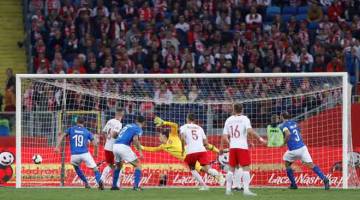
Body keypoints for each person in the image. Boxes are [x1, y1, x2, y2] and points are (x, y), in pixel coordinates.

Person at [142, 116, 221, 174]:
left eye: (159, 136)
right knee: (201, 169)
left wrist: (164, 123)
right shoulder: (163, 146)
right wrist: (141, 147)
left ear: (164, 136)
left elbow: (175, 125)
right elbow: (152, 149)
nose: (159, 138)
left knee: (203, 167)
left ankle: (218, 171)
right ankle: (209, 182)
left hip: (190, 152)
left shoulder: (173, 135)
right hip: (187, 156)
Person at [220, 103, 267, 196]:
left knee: (231, 169)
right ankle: (246, 190)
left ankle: (228, 190)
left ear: (233, 109)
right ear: (242, 110)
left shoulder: (228, 120)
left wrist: (221, 147)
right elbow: (250, 131)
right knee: (246, 168)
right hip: (242, 147)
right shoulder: (245, 119)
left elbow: (224, 136)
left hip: (233, 147)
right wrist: (261, 139)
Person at [279, 111, 330, 190]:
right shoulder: (295, 123)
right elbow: (299, 132)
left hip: (293, 150)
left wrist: (283, 143)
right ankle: (325, 179)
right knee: (311, 164)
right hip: (302, 147)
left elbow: (288, 134)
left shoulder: (284, 125)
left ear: (282, 117)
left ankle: (293, 184)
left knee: (287, 163)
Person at [55, 117, 104, 190]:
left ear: (76, 122)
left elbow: (61, 135)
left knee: (76, 166)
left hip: (74, 155)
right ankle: (99, 181)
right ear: (83, 123)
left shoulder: (71, 129)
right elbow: (95, 144)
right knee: (95, 169)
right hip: (85, 153)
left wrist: (57, 147)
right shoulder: (87, 131)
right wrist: (95, 153)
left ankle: (86, 183)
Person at [180, 113, 225, 191]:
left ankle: (204, 186)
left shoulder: (183, 127)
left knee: (192, 168)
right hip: (201, 150)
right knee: (208, 169)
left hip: (191, 151)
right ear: (194, 120)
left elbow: (182, 138)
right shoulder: (200, 128)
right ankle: (219, 176)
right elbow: (206, 143)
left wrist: (183, 149)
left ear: (187, 119)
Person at [111, 115, 145, 191]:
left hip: (115, 146)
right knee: (138, 165)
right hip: (124, 146)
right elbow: (135, 140)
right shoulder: (138, 129)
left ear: (136, 120)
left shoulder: (127, 125)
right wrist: (140, 151)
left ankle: (114, 186)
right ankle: (136, 186)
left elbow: (118, 135)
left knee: (118, 166)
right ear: (143, 123)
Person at [100, 108, 124, 186]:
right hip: (114, 148)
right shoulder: (119, 123)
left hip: (107, 147)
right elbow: (114, 134)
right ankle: (117, 185)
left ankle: (101, 179)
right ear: (121, 115)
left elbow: (103, 132)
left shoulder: (110, 121)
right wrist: (120, 135)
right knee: (119, 166)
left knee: (110, 165)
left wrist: (107, 139)